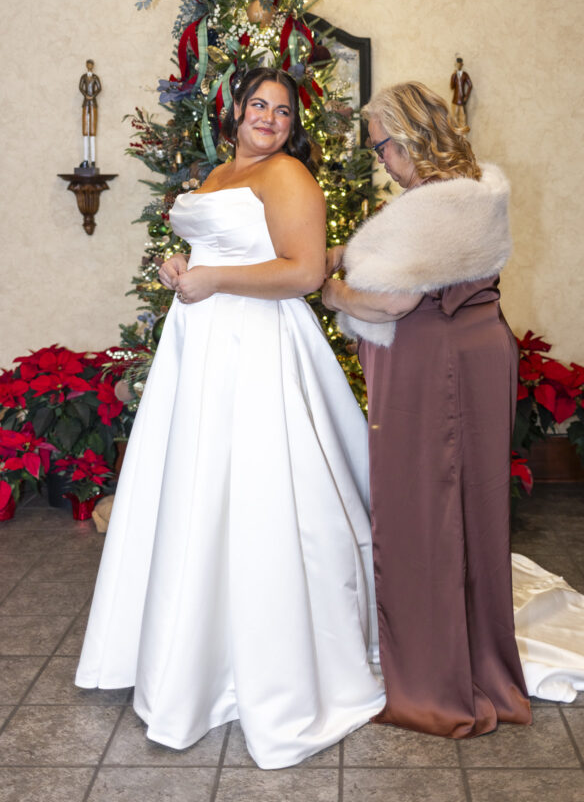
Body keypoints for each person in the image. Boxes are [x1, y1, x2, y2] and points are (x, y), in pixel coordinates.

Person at [76, 67, 385, 768]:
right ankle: (186, 647)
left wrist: (213, 280)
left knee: (258, 496)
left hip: (257, 348)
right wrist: (182, 265)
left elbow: (305, 273)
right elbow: (221, 248)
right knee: (195, 493)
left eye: (282, 110)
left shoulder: (290, 178)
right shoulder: (217, 172)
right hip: (201, 348)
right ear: (233, 111)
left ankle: (262, 666)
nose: (270, 118)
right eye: (258, 105)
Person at [322, 82, 584, 738]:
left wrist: (329, 288)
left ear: (406, 141)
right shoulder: (478, 188)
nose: (380, 161)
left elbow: (393, 301)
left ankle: (437, 683)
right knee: (469, 509)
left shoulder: (430, 207)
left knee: (421, 512)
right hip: (479, 349)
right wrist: (350, 254)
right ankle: (473, 655)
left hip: (435, 365)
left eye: (380, 149)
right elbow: (419, 257)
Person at [79, 59, 101, 167]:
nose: (89, 66)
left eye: (91, 64)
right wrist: (85, 95)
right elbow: (80, 87)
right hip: (85, 103)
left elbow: (99, 88)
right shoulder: (83, 77)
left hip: (93, 103)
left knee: (92, 131)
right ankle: (85, 160)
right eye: (88, 64)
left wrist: (93, 96)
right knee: (85, 130)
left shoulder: (95, 77)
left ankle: (93, 160)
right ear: (86, 65)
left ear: (93, 66)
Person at [450, 55, 472, 133]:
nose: (458, 65)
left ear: (462, 64)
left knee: (462, 119)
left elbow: (470, 85)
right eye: (457, 64)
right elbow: (452, 86)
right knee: (454, 118)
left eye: (460, 64)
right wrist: (453, 76)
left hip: (462, 101)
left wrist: (466, 96)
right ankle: (455, 134)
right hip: (455, 101)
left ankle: (463, 136)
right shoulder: (454, 75)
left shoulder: (465, 75)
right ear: (456, 65)